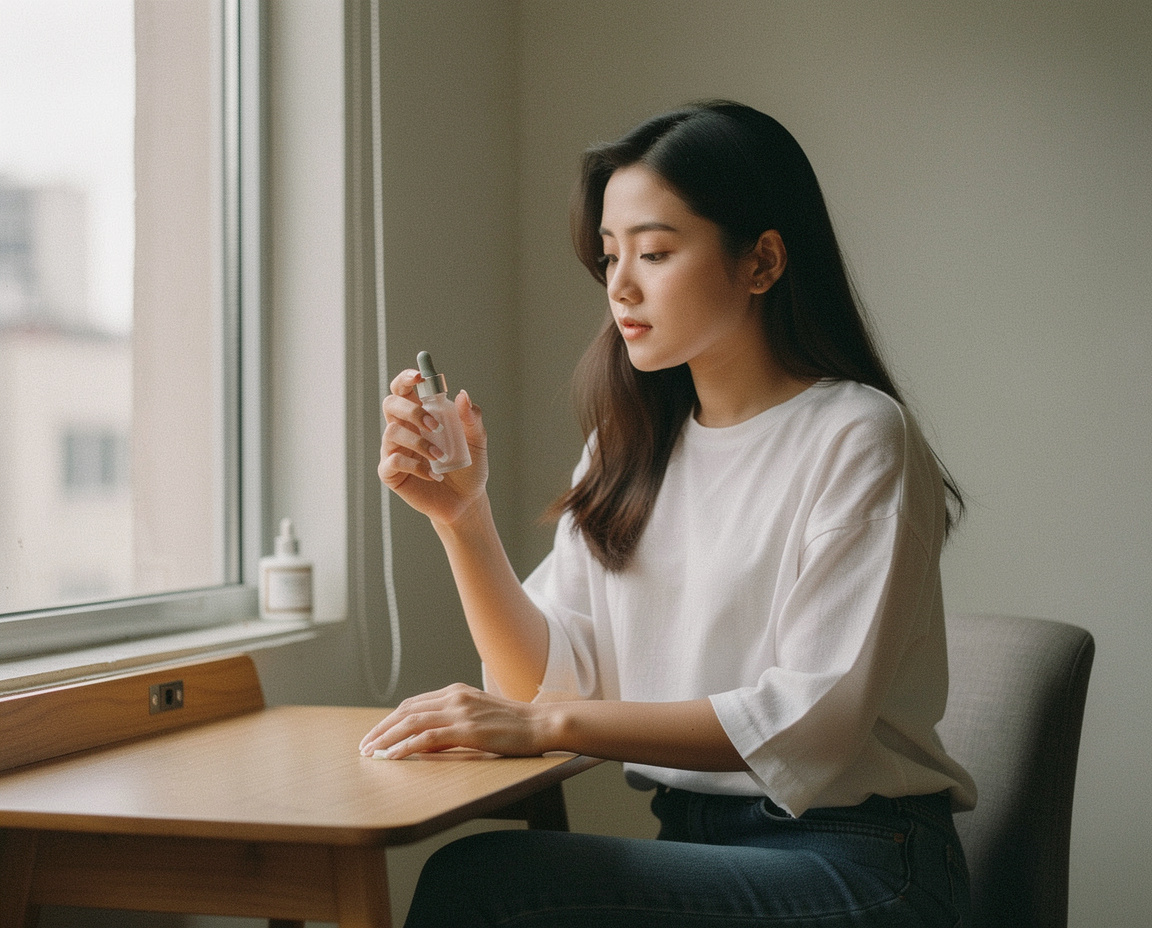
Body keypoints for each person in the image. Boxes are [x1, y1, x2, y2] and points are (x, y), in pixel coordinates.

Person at [360, 100, 977, 927]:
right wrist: (462, 520)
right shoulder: (632, 445)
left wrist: (543, 723)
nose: (619, 285)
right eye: (610, 254)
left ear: (761, 262)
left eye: (654, 252)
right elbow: (540, 680)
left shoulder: (858, 435)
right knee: (488, 877)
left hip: (866, 863)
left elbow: (812, 723)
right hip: (701, 848)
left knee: (488, 881)